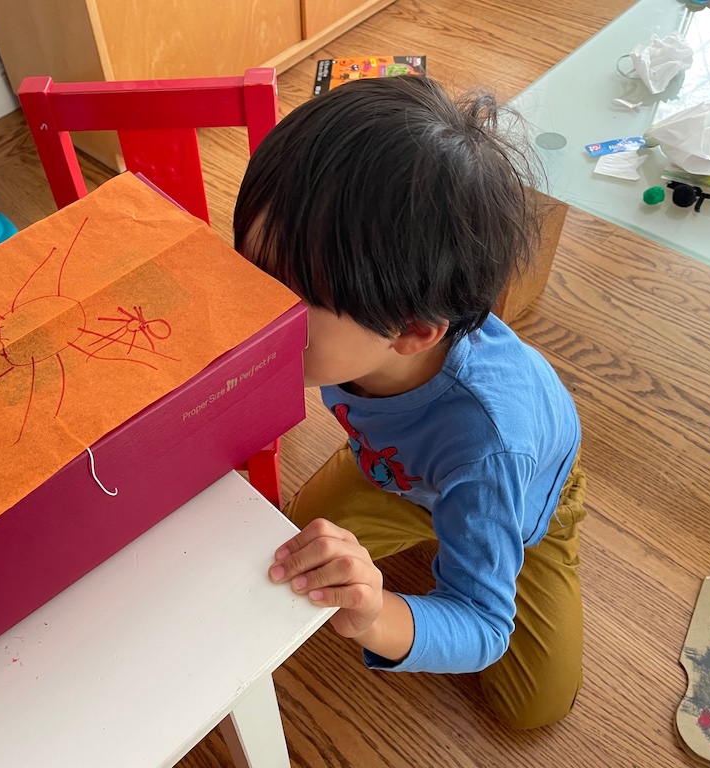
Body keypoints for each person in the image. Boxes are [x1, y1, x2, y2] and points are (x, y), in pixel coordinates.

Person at [233, 75, 586, 730]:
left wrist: (376, 613)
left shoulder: (489, 448)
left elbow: (483, 628)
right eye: (247, 268)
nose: (251, 315)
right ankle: (425, 515)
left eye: (288, 300)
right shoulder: (350, 339)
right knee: (288, 548)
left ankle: (473, 536)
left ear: (412, 333)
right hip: (398, 469)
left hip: (523, 500)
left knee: (532, 707)